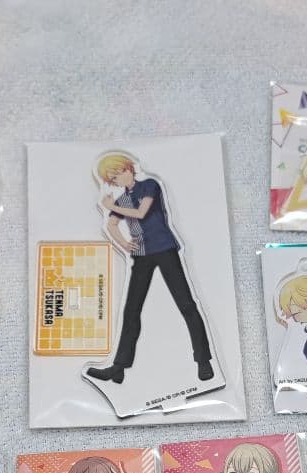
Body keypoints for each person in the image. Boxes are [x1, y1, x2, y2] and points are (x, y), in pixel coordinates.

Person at [86, 153, 214, 385]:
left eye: (118, 174)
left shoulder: (149, 185)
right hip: (141, 254)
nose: (117, 180)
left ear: (128, 169)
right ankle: (118, 368)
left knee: (186, 304)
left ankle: (203, 360)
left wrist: (111, 206)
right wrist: (124, 243)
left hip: (164, 249)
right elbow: (111, 224)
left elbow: (141, 212)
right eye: (113, 179)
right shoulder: (123, 199)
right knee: (131, 311)